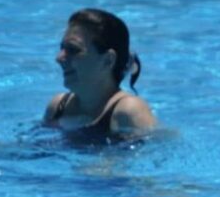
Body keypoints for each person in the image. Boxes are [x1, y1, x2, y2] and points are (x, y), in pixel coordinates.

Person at [43, 8, 157, 142]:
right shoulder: (58, 107)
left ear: (108, 60)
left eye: (73, 50)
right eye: (62, 48)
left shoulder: (128, 110)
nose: (59, 58)